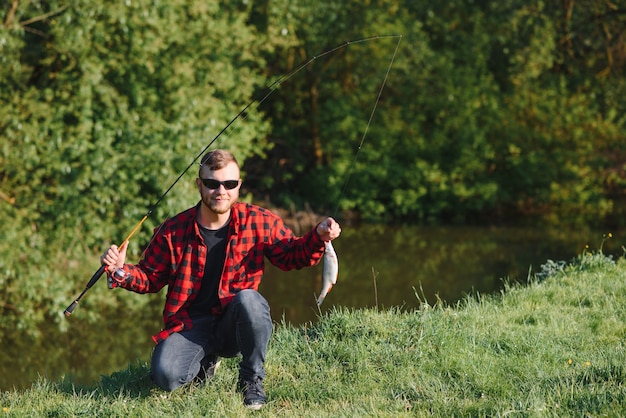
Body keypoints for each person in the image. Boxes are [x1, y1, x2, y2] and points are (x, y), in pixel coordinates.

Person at [100, 149, 341, 410]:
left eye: (229, 184)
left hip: (233, 323)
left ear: (239, 186)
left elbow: (293, 256)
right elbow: (149, 278)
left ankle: (251, 378)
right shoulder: (173, 230)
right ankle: (204, 363)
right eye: (212, 184)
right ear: (199, 185)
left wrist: (317, 236)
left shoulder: (259, 221)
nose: (221, 191)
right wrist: (120, 270)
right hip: (189, 325)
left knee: (251, 300)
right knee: (165, 376)